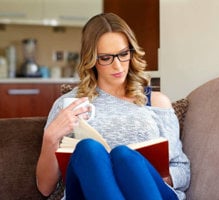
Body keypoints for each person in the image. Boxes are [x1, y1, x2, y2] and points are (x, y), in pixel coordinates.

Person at [36, 13, 190, 200]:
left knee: (124, 156)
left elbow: (182, 170)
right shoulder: (68, 105)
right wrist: (50, 138)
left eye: (124, 54)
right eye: (106, 58)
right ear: (91, 60)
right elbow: (45, 188)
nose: (118, 66)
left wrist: (154, 176)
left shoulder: (155, 102)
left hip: (147, 192)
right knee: (88, 149)